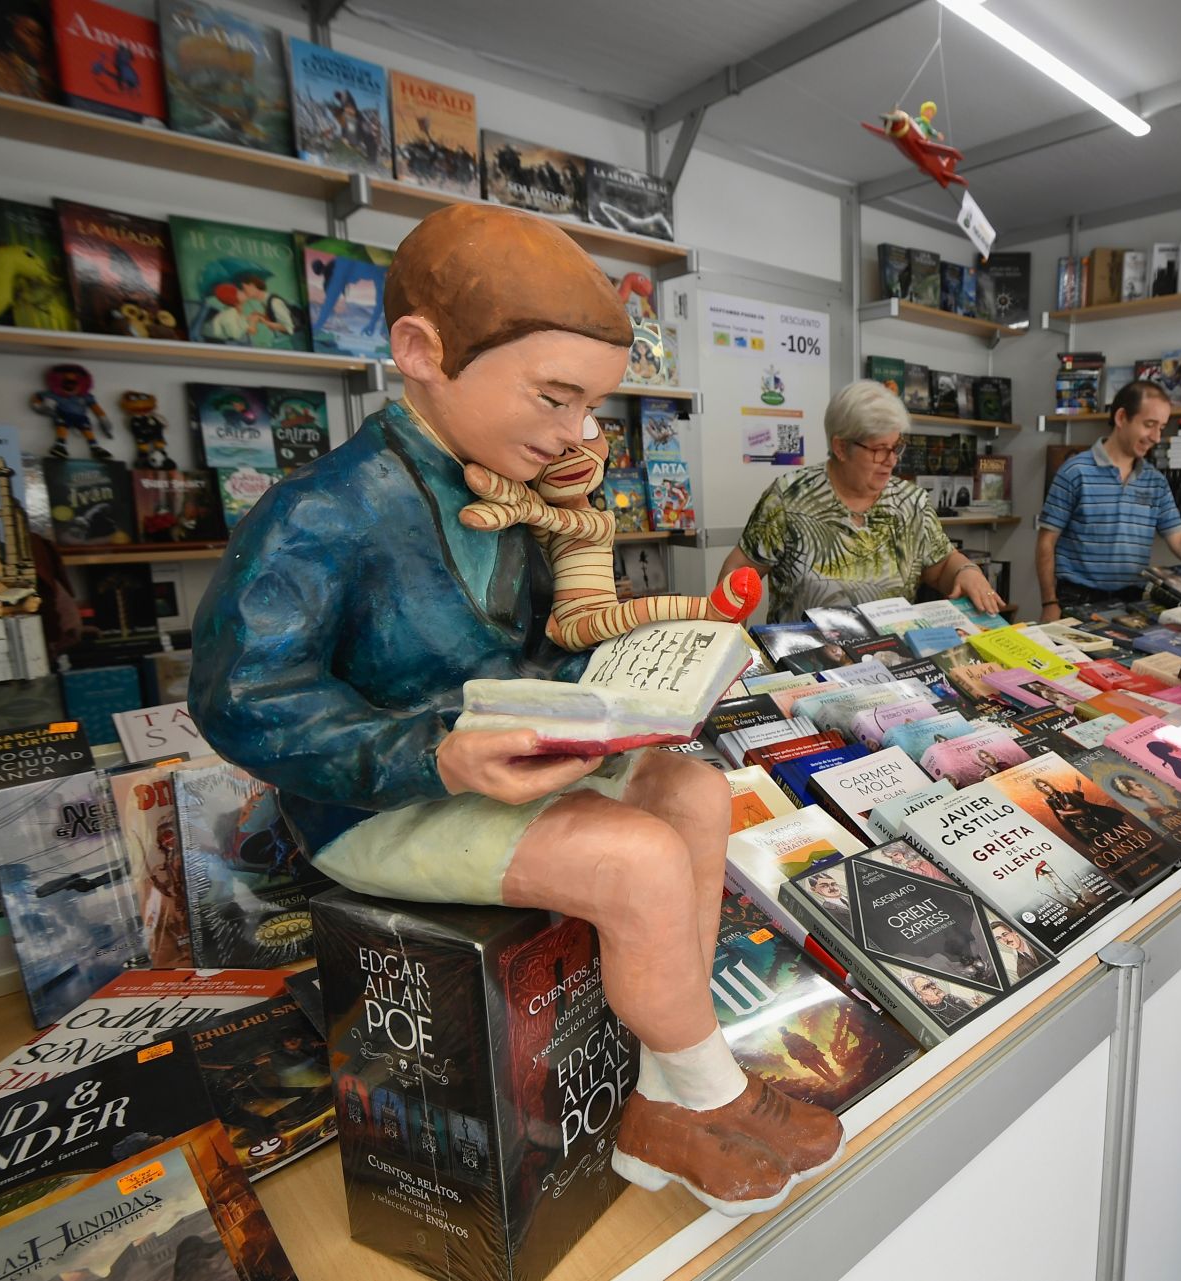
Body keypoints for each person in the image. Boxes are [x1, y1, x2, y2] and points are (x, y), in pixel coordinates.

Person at [190, 204, 841, 1218]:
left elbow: (540, 644)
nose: (580, 432)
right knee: (634, 860)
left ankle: (662, 1099)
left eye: (593, 407)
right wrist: (438, 756)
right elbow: (244, 699)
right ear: (420, 352)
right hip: (378, 799)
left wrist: (634, 684)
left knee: (697, 795)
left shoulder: (526, 490)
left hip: (516, 757)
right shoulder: (320, 512)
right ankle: (713, 1094)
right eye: (555, 396)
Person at [722, 380, 1004, 622]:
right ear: (841, 447)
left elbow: (941, 566)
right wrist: (733, 644)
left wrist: (966, 571)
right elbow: (738, 572)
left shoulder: (910, 502)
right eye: (879, 450)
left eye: (896, 447)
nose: (891, 461)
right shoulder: (790, 498)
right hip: (803, 668)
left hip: (889, 663)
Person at [1036, 380, 1181, 621]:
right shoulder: (1075, 471)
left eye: (1161, 427)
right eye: (1149, 425)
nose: (1156, 437)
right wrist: (1049, 602)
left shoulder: (1155, 481)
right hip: (1076, 601)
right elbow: (1046, 542)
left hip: (1132, 603)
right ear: (1121, 418)